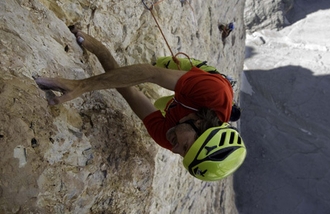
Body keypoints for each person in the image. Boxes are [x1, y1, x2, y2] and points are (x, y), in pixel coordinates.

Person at [35, 27, 246, 181]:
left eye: (182, 153)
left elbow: (130, 92)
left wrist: (102, 52)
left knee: (160, 100)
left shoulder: (170, 137)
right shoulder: (215, 93)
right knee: (161, 64)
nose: (174, 149)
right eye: (185, 146)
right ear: (200, 126)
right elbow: (150, 74)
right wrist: (81, 85)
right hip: (202, 87)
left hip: (183, 105)